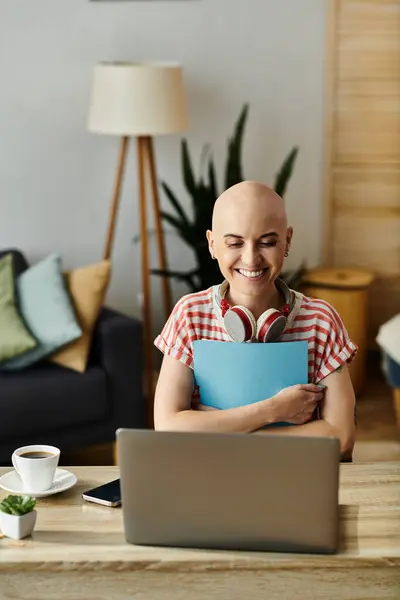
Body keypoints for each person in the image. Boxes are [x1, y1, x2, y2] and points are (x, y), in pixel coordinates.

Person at [153, 181, 357, 457]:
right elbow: (167, 429)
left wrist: (218, 429)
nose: (251, 259)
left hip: (294, 478)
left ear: (287, 240)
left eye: (267, 242)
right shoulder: (190, 314)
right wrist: (273, 411)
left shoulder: (321, 320)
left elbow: (341, 438)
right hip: (207, 477)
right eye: (235, 243)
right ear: (213, 245)